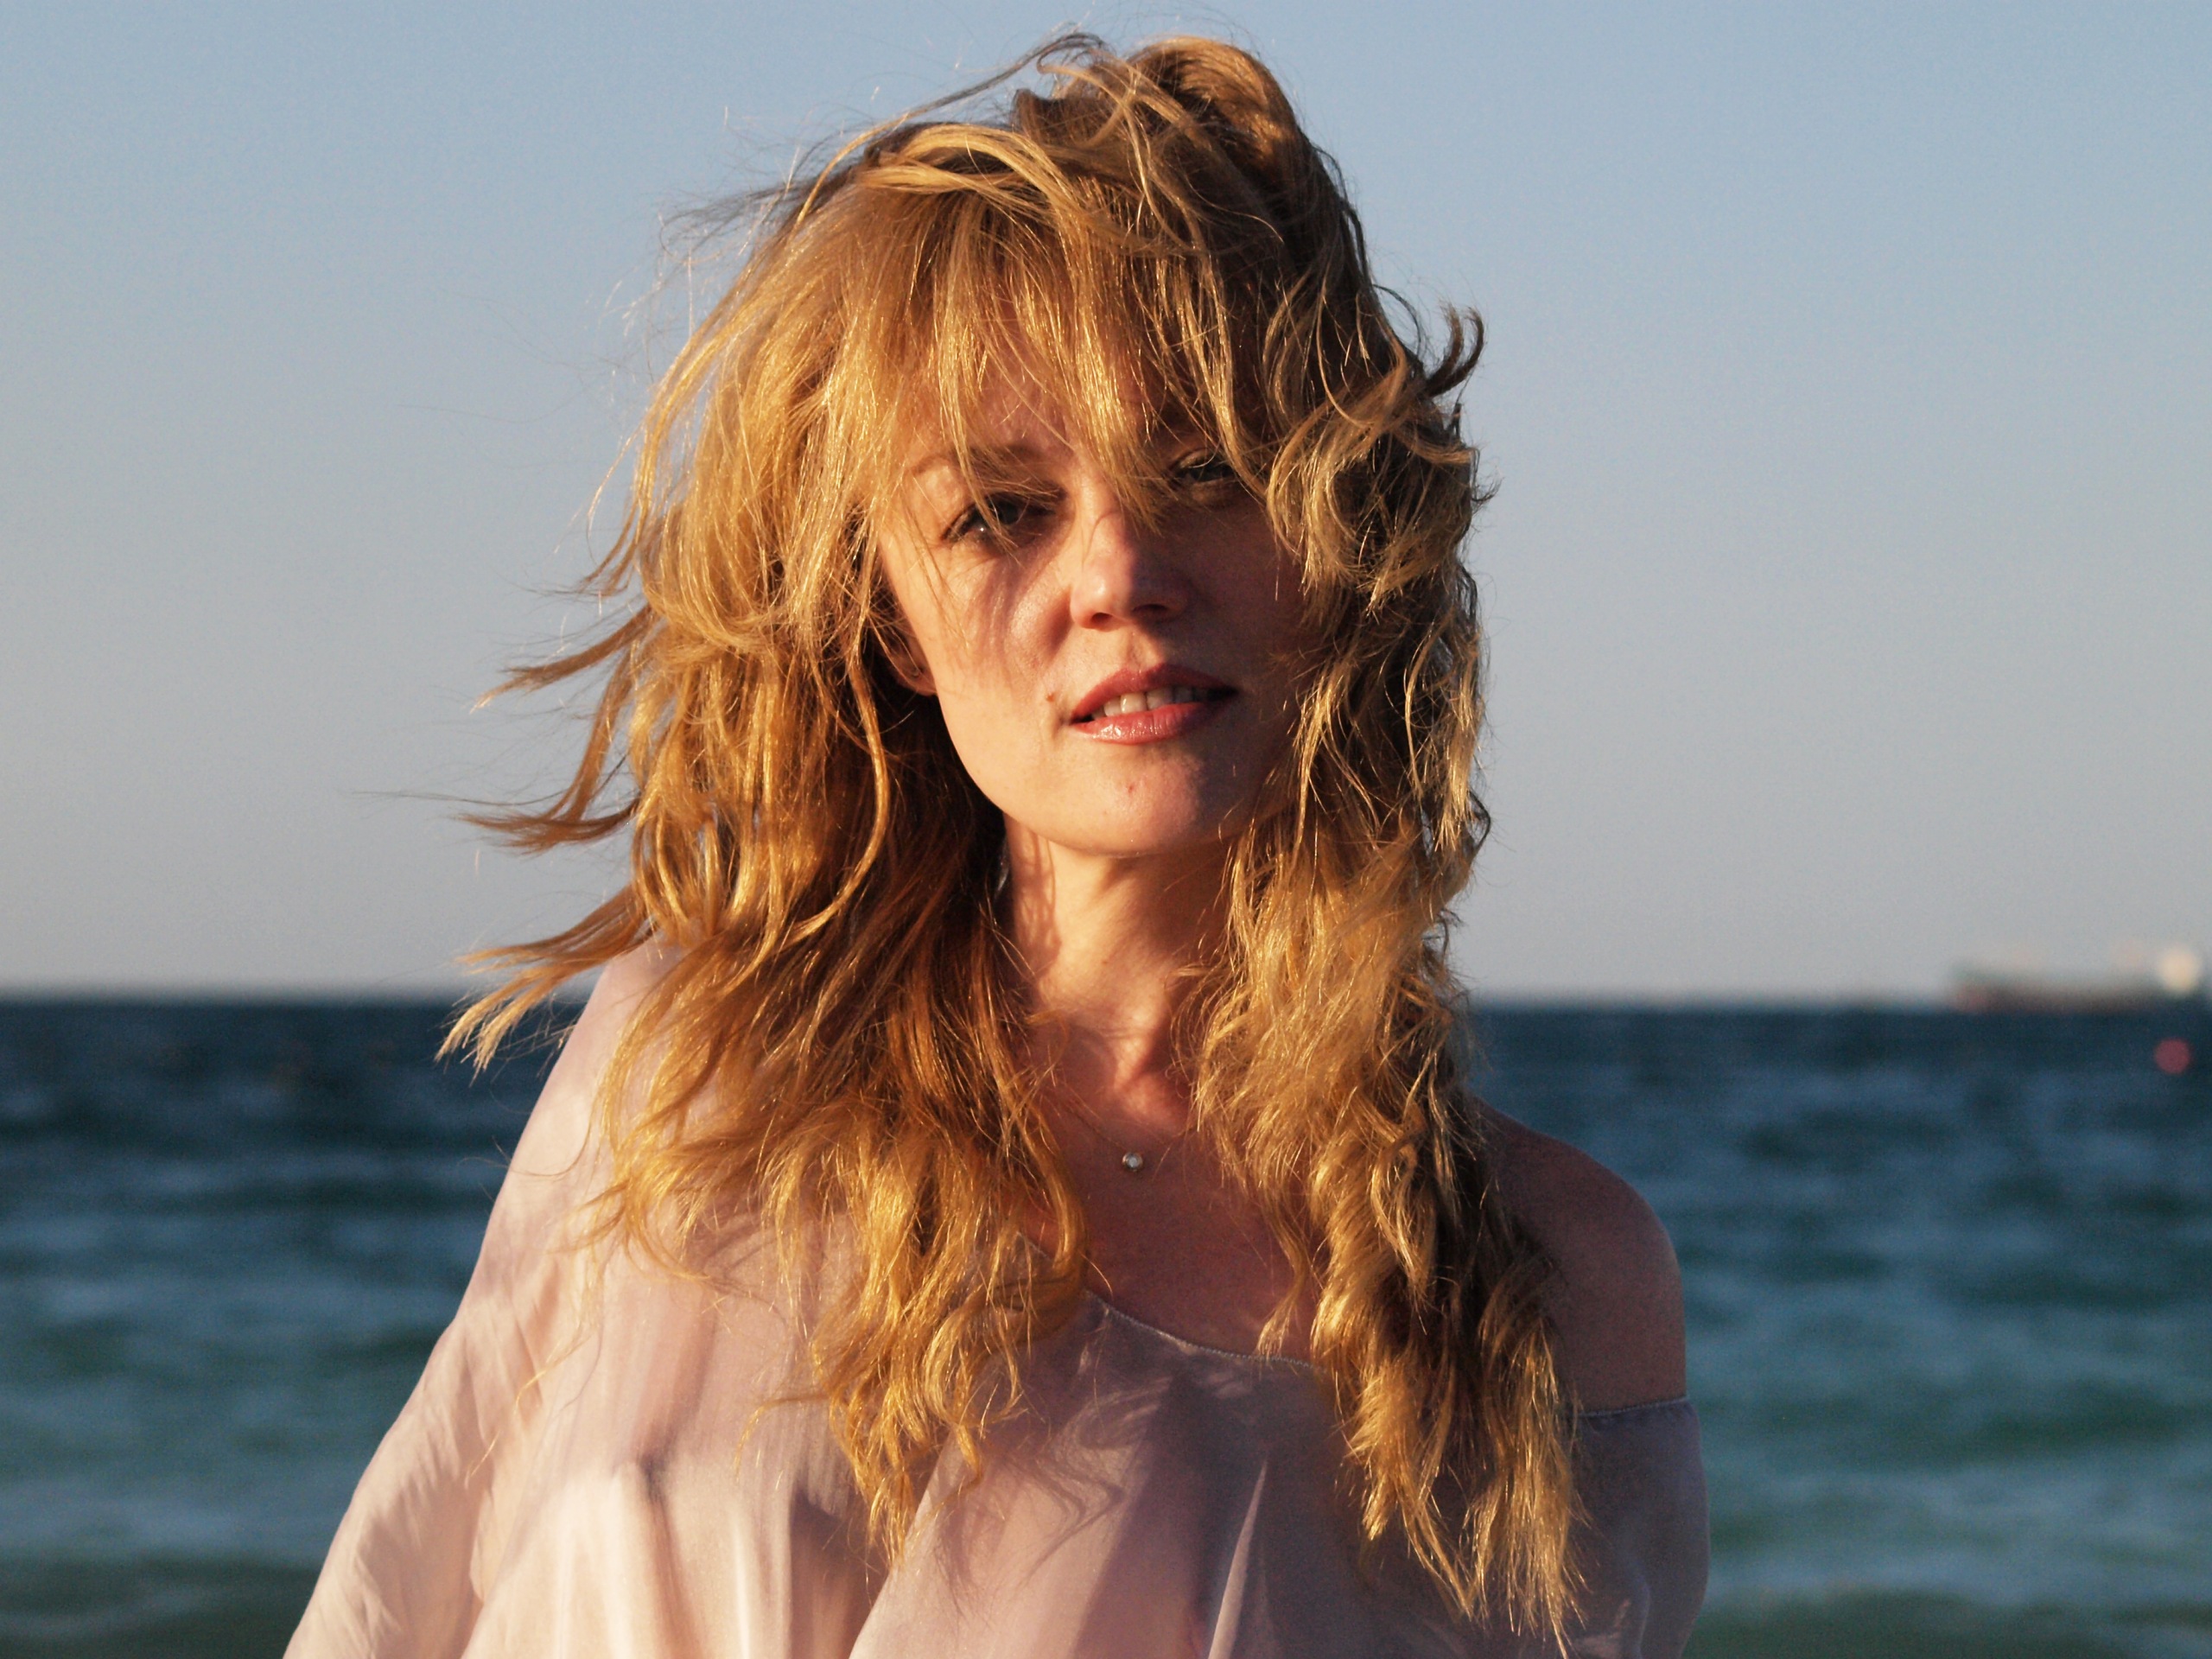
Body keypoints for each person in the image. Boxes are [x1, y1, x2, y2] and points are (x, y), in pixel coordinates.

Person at [288, 34, 1704, 1659]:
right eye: (999, 512)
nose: (1120, 574)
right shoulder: (687, 1083)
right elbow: (398, 1601)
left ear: (1339, 531)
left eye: (1204, 472)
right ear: (889, 618)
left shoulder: (1547, 1271)